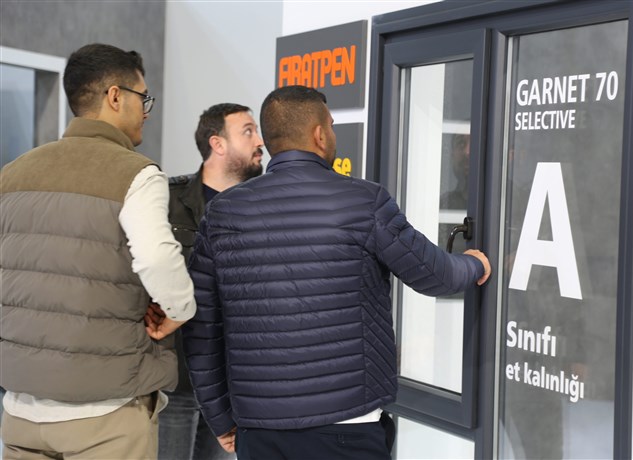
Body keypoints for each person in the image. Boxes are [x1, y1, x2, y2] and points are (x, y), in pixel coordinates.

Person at [181, 85, 491, 460]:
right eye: (330, 125)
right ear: (319, 134)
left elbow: (202, 327)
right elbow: (434, 274)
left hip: (260, 430)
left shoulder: (222, 213)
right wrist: (475, 262)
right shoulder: (363, 201)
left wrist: (220, 417)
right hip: (348, 425)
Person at [0, 43, 196, 459]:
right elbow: (157, 258)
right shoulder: (136, 174)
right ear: (115, 96)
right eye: (143, 98)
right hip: (106, 412)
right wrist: (179, 310)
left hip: (20, 408)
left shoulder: (12, 174)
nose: (146, 110)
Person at [160, 102, 264, 459]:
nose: (260, 141)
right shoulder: (168, 200)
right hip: (176, 378)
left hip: (231, 383)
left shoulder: (262, 207)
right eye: (248, 132)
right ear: (217, 144)